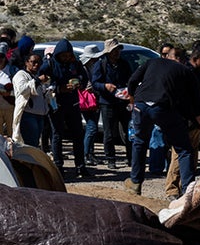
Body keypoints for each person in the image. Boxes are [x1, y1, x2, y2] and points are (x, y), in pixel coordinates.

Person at [126, 56, 200, 196]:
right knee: (184, 150)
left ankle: (135, 183)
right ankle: (188, 190)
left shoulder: (153, 61)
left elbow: (132, 81)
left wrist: (133, 100)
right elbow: (199, 110)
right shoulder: (185, 72)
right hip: (162, 107)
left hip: (141, 104)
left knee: (140, 142)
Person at [39, 39, 90, 177]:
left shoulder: (75, 64)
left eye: (68, 55)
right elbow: (41, 82)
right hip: (56, 104)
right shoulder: (50, 64)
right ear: (58, 54)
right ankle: (58, 166)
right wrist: (59, 88)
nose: (66, 58)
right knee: (57, 135)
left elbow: (84, 78)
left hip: (73, 104)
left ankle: (80, 166)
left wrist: (79, 83)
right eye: (63, 55)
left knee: (78, 135)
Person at [91, 39, 133, 169]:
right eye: (114, 51)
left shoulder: (124, 64)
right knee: (109, 133)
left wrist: (128, 91)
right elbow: (95, 83)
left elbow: (130, 80)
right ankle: (110, 159)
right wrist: (105, 86)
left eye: (118, 50)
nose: (116, 53)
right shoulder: (101, 65)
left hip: (123, 101)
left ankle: (131, 158)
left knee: (128, 132)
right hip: (107, 103)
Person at [11, 51, 48, 146]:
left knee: (34, 143)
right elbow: (23, 89)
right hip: (28, 114)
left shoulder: (35, 76)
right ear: (27, 62)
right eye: (33, 62)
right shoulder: (21, 75)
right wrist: (37, 80)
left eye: (39, 63)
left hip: (39, 114)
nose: (36, 65)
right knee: (30, 144)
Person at [77, 45, 103, 166]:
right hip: (88, 101)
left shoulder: (90, 69)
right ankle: (86, 154)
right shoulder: (84, 71)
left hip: (92, 101)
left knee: (92, 128)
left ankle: (90, 153)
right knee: (92, 128)